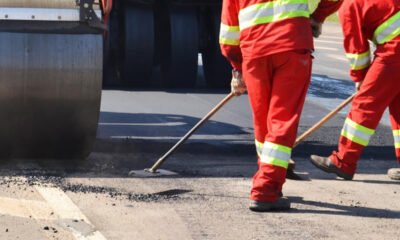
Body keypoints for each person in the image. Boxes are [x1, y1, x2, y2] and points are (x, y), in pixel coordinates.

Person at [219, 0, 343, 212]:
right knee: (282, 120)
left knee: (263, 123)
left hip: (254, 52)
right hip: (291, 45)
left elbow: (228, 35)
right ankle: (266, 188)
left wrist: (237, 67)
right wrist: (319, 16)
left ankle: (269, 178)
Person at [310, 0, 400, 181]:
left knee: (365, 105)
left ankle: (343, 161)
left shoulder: (349, 6)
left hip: (395, 50)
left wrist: (360, 78)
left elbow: (357, 51)